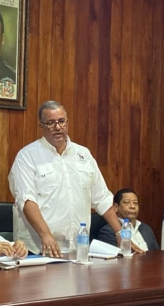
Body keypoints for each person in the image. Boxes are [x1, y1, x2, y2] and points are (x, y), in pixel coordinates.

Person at [9, 100, 140, 257]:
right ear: (41, 127)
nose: (58, 127)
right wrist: (46, 235)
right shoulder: (27, 156)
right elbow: (27, 200)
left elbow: (102, 198)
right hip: (38, 249)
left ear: (67, 122)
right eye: (50, 123)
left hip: (77, 249)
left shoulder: (84, 155)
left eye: (61, 121)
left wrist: (120, 234)